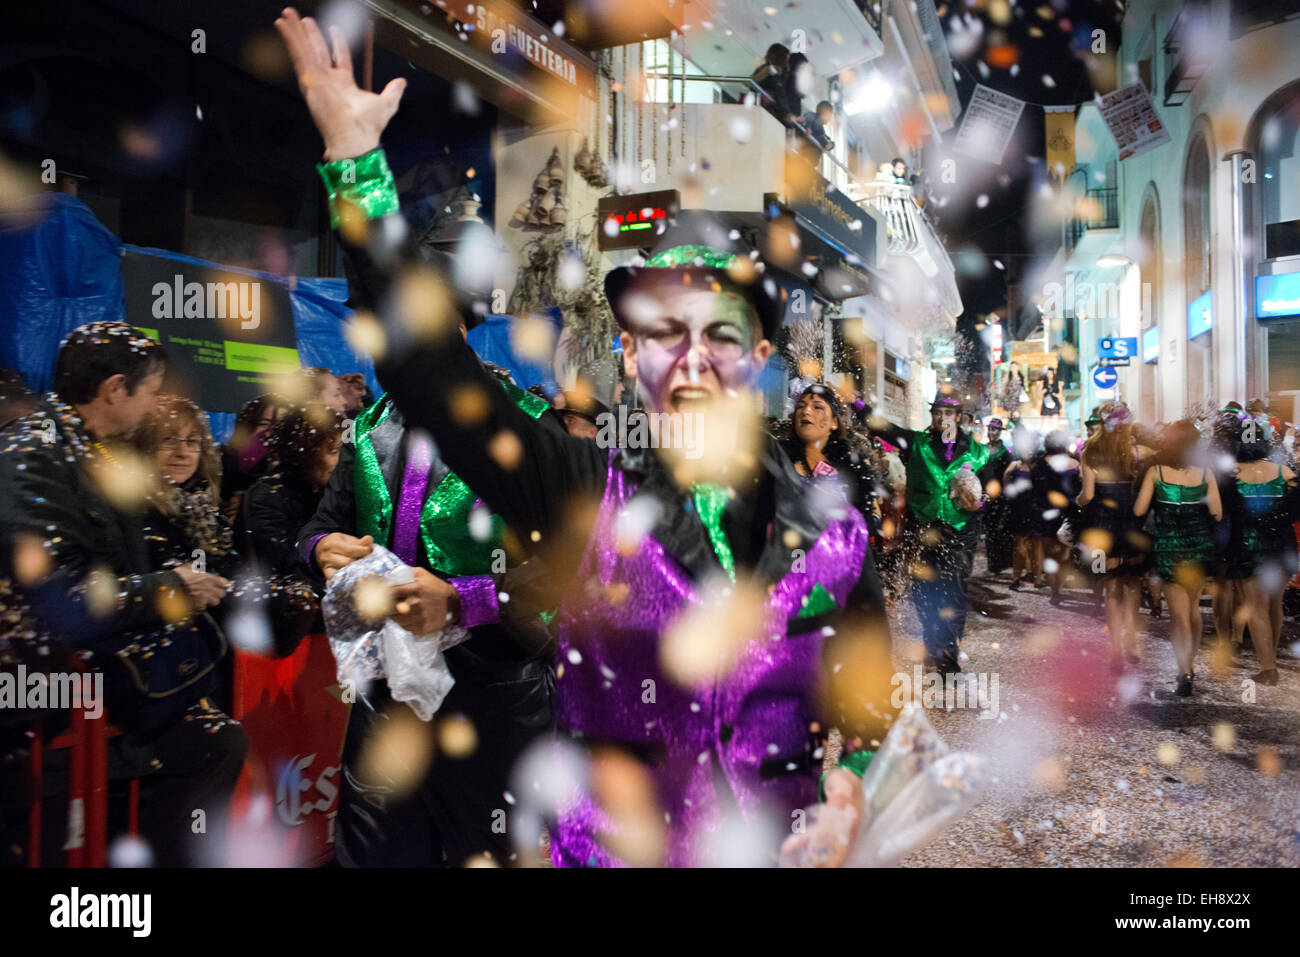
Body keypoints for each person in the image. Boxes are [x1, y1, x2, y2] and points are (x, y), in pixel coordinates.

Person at [276, 5, 893, 869]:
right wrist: (358, 171)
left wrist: (853, 780)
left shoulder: (837, 532)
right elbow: (430, 373)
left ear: (757, 358)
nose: (690, 362)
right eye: (663, 335)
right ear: (634, 359)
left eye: (716, 335)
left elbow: (870, 702)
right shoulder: (586, 491)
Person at [295, 333, 558, 868]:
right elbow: (323, 524)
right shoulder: (368, 427)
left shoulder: (528, 423)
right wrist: (320, 547)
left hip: (494, 689)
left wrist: (464, 599)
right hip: (387, 686)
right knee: (374, 852)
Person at [0, 322, 247, 866]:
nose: (156, 404)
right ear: (115, 389)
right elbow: (58, 595)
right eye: (152, 390)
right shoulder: (35, 453)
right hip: (37, 703)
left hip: (91, 690)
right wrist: (171, 586)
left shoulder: (91, 454)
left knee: (215, 740)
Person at [867, 394, 989, 674]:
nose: (942, 417)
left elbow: (992, 488)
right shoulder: (916, 443)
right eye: (937, 411)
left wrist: (979, 501)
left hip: (960, 531)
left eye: (948, 412)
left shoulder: (977, 451)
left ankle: (947, 653)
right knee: (923, 592)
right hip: (922, 529)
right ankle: (933, 643)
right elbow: (882, 427)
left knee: (954, 591)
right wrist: (857, 405)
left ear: (958, 417)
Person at [1134, 420, 1222, 697]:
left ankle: (1184, 670)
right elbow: (1217, 513)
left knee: (1178, 617)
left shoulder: (1156, 472)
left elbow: (1139, 510)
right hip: (1198, 546)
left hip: (1169, 545)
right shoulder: (1206, 472)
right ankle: (1190, 664)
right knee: (1194, 609)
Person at [1076, 403, 1153, 672]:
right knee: (1132, 584)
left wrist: (1076, 503)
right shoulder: (1138, 453)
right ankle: (1130, 641)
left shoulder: (1090, 453)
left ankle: (1116, 649)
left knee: (1110, 587)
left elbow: (1086, 496)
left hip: (1102, 526)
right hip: (1133, 523)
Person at [1222, 415, 1299, 685]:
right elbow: (1293, 510)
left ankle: (1268, 667)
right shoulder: (1284, 473)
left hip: (1248, 545)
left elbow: (1224, 514)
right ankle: (1271, 658)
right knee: (1275, 604)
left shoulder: (1231, 475)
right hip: (1281, 545)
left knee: (1256, 608)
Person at [239, 403, 345, 577]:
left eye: (346, 451)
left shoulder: (336, 491)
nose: (343, 460)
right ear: (304, 451)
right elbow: (283, 564)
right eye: (334, 451)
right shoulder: (268, 495)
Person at [1030, 430, 1080, 605]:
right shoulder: (1075, 463)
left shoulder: (1040, 465)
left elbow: (1034, 491)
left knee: (1051, 554)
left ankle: (1055, 591)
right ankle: (1060, 584)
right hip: (1069, 513)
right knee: (1065, 552)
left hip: (1046, 514)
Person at [977, 418, 1013, 574]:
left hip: (1000, 495)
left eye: (995, 430)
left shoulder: (1005, 452)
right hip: (985, 493)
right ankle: (993, 563)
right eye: (990, 429)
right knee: (990, 529)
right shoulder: (982, 449)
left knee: (999, 529)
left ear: (1000, 432)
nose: (991, 433)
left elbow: (1008, 474)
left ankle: (1001, 562)